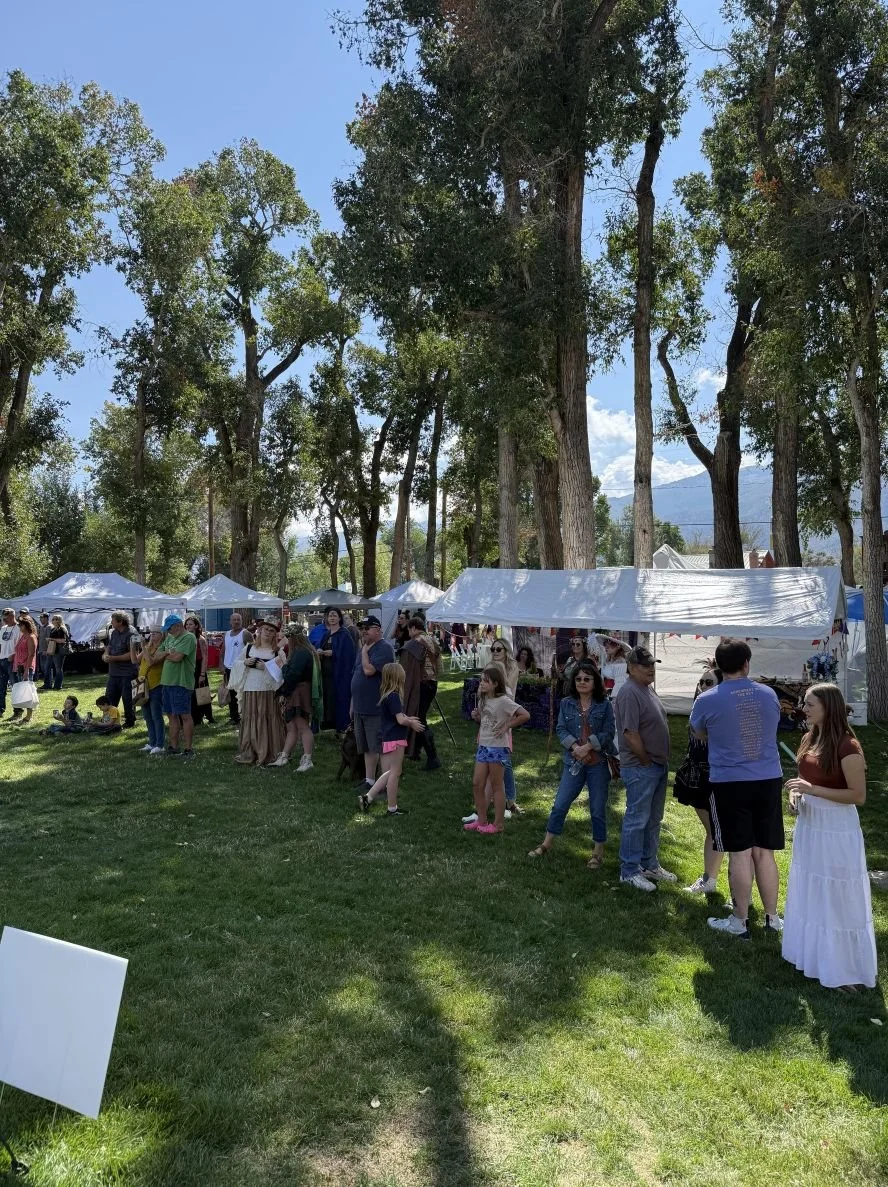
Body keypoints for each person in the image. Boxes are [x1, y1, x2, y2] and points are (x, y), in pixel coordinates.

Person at [782, 683, 877, 990]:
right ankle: (812, 956)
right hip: (811, 825)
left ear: (828, 708)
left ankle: (844, 969)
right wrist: (797, 795)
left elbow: (858, 796)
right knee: (812, 889)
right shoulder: (810, 737)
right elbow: (805, 778)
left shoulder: (849, 747)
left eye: (810, 704)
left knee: (837, 896)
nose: (803, 709)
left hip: (836, 829)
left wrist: (813, 790)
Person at [690, 638, 784, 939]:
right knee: (765, 852)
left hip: (730, 782)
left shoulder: (706, 699)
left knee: (739, 853)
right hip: (768, 778)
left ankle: (740, 921)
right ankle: (772, 917)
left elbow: (698, 732)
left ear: (718, 665)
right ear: (747, 663)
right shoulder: (768, 694)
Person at [529, 661, 616, 867]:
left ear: (595, 682)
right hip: (573, 762)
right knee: (560, 804)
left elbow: (609, 732)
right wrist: (575, 747)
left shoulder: (604, 705)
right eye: (578, 679)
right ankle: (546, 843)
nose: (582, 682)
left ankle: (597, 851)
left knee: (597, 808)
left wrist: (588, 746)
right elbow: (561, 729)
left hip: (598, 763)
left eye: (587, 679)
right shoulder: (566, 703)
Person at [615, 645, 676, 892]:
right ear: (631, 668)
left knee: (653, 819)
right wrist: (645, 760)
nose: (651, 669)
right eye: (645, 665)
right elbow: (630, 733)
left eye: (652, 664)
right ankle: (629, 871)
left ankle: (649, 864)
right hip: (641, 766)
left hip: (655, 765)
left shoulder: (646, 689)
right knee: (637, 819)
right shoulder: (629, 692)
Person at [673, 668, 726, 895]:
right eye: (701, 682)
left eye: (709, 682)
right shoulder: (699, 705)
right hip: (697, 775)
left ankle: (709, 880)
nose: (703, 686)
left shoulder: (724, 710)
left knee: (716, 830)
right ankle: (709, 879)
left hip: (716, 776)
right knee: (712, 830)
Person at [464, 665, 530, 835]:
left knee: (496, 785)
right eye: (481, 680)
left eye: (486, 681)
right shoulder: (483, 700)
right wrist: (477, 717)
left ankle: (498, 824)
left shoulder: (504, 701)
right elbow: (486, 721)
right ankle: (482, 820)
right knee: (477, 783)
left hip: (498, 747)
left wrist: (507, 725)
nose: (482, 683)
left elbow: (524, 715)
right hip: (483, 745)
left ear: (495, 684)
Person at [359, 663, 424, 816]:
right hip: (396, 739)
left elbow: (396, 717)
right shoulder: (394, 696)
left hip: (388, 738)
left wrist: (408, 718)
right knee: (395, 773)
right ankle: (392, 808)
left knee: (390, 772)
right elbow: (400, 720)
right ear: (397, 677)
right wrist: (411, 723)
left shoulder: (387, 696)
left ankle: (368, 797)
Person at [229, 621, 286, 765]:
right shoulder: (249, 648)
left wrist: (265, 668)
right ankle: (251, 752)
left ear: (275, 634)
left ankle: (270, 752)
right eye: (266, 629)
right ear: (260, 630)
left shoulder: (277, 652)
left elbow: (283, 673)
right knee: (252, 719)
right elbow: (236, 664)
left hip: (268, 692)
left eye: (272, 631)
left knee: (268, 719)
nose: (268, 633)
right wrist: (245, 663)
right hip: (251, 689)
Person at [351, 615, 396, 791]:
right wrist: (352, 703)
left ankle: (385, 785)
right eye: (361, 628)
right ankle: (370, 780)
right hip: (360, 706)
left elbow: (369, 671)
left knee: (381, 747)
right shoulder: (364, 647)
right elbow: (356, 673)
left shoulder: (384, 648)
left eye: (367, 628)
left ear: (378, 630)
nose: (363, 631)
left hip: (376, 707)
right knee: (367, 747)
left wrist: (364, 652)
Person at [270, 623, 317, 771]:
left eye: (287, 637)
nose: (286, 640)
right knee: (291, 726)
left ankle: (307, 758)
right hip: (294, 692)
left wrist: (283, 665)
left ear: (293, 638)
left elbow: (292, 675)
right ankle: (284, 755)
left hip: (300, 692)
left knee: (302, 726)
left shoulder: (302, 653)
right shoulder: (299, 651)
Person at [400, 616, 442, 770]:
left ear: (412, 628)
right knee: (419, 715)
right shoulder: (432, 640)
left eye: (409, 630)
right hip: (432, 683)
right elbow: (440, 665)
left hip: (420, 685)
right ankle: (415, 751)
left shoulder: (414, 643)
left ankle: (433, 757)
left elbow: (406, 668)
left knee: (419, 719)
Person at [157, 615, 197, 758]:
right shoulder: (169, 638)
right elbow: (157, 654)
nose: (168, 631)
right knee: (171, 715)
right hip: (167, 682)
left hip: (181, 682)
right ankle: (173, 747)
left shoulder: (189, 637)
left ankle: (188, 749)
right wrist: (168, 653)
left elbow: (177, 657)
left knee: (185, 715)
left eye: (170, 628)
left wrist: (165, 654)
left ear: (178, 625)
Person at [318, 607, 357, 733]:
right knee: (329, 698)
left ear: (339, 618)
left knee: (341, 698)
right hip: (327, 674)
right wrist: (320, 652)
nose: (332, 618)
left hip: (340, 674)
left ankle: (343, 725)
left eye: (334, 615)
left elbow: (350, 655)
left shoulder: (345, 634)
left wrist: (334, 653)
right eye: (330, 616)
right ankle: (330, 722)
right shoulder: (326, 634)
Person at [102, 611, 141, 729]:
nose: (111, 622)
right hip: (114, 672)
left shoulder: (132, 633)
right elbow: (109, 646)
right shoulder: (114, 632)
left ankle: (130, 720)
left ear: (120, 621)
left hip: (128, 672)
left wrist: (113, 658)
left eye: (113, 620)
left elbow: (133, 654)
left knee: (127, 698)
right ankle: (108, 720)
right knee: (109, 697)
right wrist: (106, 654)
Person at [218, 612, 253, 727]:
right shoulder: (227, 634)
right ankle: (234, 717)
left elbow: (253, 649)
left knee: (241, 693)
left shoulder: (245, 633)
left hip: (241, 668)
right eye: (234, 620)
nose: (236, 622)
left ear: (242, 621)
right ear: (230, 622)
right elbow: (223, 650)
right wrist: (221, 665)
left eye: (238, 620)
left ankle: (244, 716)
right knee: (231, 693)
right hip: (228, 668)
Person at [137, 628, 166, 755]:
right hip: (143, 685)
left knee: (156, 716)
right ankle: (152, 742)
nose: (152, 634)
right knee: (147, 716)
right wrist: (132, 646)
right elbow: (134, 660)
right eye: (151, 632)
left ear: (161, 635)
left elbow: (150, 662)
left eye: (155, 632)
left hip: (156, 685)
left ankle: (160, 744)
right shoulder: (147, 647)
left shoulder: (162, 648)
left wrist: (143, 647)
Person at [185, 616, 214, 727]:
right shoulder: (185, 638)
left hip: (198, 668)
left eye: (191, 624)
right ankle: (193, 717)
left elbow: (205, 657)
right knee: (191, 694)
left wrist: (202, 674)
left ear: (196, 626)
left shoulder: (200, 639)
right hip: (188, 668)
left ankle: (205, 716)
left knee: (202, 693)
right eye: (187, 624)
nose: (188, 626)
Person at [10, 614, 38, 724]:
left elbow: (31, 655)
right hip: (20, 667)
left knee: (27, 692)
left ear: (26, 625)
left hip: (27, 667)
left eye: (21, 625)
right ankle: (25, 715)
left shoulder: (31, 637)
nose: (19, 627)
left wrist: (26, 671)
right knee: (23, 692)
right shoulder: (23, 636)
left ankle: (29, 716)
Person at [0, 607, 21, 720]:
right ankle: (0, 710)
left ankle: (18, 711)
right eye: (3, 618)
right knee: (1, 687)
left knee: (15, 687)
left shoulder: (19, 628)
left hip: (12, 661)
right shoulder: (3, 628)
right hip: (2, 660)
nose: (4, 620)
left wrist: (13, 655)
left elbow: (20, 646)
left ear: (13, 616)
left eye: (6, 618)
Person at [45, 614, 70, 691]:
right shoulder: (53, 629)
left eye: (56, 619)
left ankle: (58, 685)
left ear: (59, 620)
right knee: (54, 668)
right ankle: (54, 684)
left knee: (58, 669)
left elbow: (63, 640)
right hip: (53, 650)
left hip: (59, 651)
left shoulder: (62, 629)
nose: (53, 620)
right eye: (53, 619)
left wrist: (51, 639)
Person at [37, 614, 51, 687]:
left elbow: (49, 639)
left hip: (46, 651)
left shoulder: (49, 627)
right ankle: (46, 683)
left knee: (47, 668)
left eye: (41, 618)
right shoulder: (41, 627)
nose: (40, 619)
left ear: (46, 618)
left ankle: (48, 684)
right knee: (43, 668)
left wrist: (47, 650)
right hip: (41, 650)